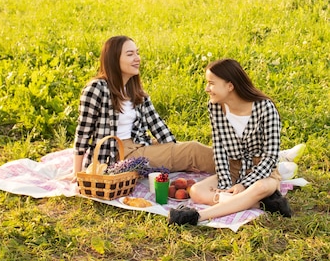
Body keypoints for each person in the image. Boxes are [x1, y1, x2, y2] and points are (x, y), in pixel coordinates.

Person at [168, 59, 293, 226]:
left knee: (260, 188)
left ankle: (198, 216)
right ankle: (266, 204)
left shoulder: (265, 108)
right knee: (196, 191)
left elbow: (270, 157)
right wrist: (225, 183)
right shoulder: (215, 107)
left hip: (264, 171)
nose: (207, 89)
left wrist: (244, 184)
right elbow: (219, 148)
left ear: (230, 86)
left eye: (211, 84)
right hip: (234, 168)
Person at [72, 35, 216, 179]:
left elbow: (158, 126)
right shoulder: (97, 88)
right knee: (192, 150)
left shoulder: (135, 91)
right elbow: (83, 132)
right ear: (114, 59)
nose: (137, 58)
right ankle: (234, 171)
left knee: (187, 150)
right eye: (130, 54)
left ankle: (234, 166)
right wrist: (76, 172)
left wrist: (176, 151)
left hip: (139, 144)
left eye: (137, 53)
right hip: (117, 155)